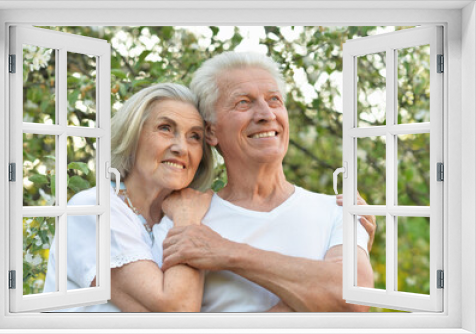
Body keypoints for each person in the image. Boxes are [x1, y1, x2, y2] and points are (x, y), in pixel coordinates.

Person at [155, 52, 376, 312]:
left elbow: (354, 298)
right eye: (243, 103)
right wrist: (315, 294)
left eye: (274, 100)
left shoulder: (339, 210)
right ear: (211, 131)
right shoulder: (184, 219)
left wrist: (226, 252)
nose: (266, 114)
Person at [43, 83, 215, 312]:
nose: (181, 147)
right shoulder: (94, 208)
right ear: (132, 137)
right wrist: (187, 220)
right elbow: (176, 313)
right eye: (165, 128)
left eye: (194, 136)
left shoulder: (178, 213)